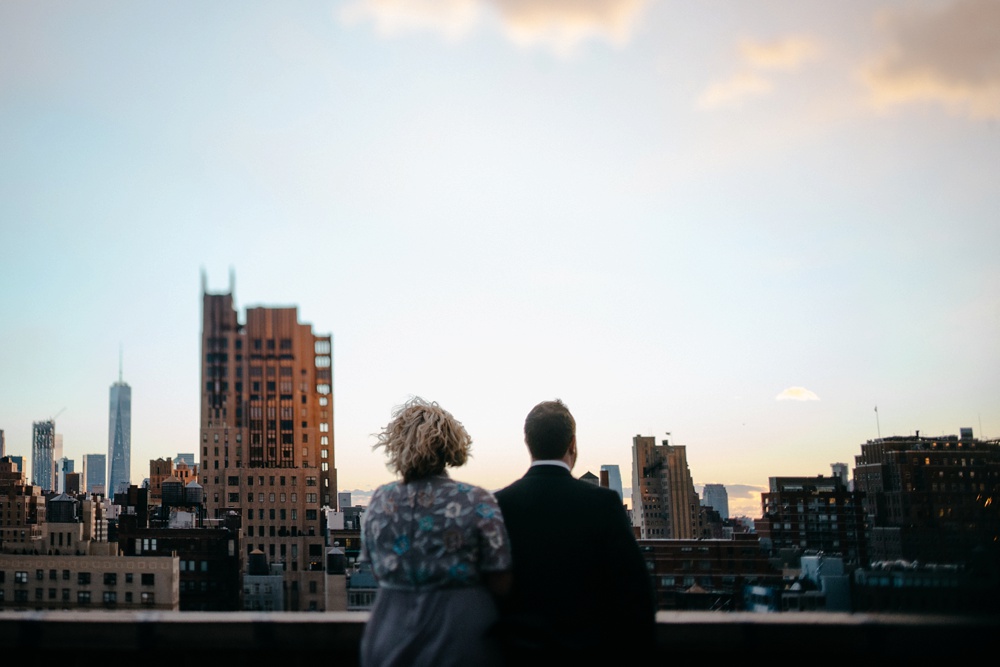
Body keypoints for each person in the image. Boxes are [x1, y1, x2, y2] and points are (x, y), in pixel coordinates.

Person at [494, 399, 657, 662]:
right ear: (572, 443)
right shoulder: (603, 503)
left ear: (528, 443)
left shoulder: (499, 504)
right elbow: (635, 594)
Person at [359, 397, 513, 667]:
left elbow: (374, 567)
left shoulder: (381, 500)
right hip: (462, 634)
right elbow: (501, 578)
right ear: (450, 445)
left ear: (396, 445)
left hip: (390, 631)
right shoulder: (476, 500)